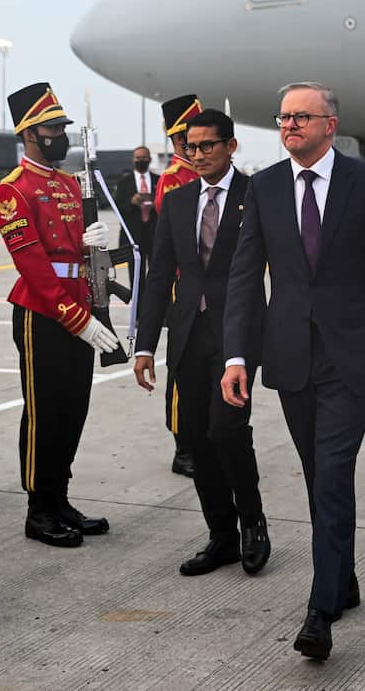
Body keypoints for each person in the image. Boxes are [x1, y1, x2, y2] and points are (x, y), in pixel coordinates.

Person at [221, 81, 365, 661]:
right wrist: (236, 357)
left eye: (302, 117)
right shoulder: (266, 187)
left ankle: (318, 611)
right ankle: (344, 579)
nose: (290, 127)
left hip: (352, 357)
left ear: (331, 123)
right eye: (283, 119)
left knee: (330, 476)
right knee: (319, 476)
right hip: (291, 358)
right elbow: (245, 276)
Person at [134, 108, 271, 578]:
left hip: (238, 333)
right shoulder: (177, 201)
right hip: (188, 334)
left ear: (231, 146)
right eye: (190, 147)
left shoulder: (257, 195)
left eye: (207, 145)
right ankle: (221, 536)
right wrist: (145, 344)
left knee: (227, 430)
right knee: (195, 437)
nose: (197, 155)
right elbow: (158, 277)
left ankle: (253, 522)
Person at [0, 82, 121, 549]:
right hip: (42, 315)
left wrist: (102, 248)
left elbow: (81, 258)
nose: (60, 136)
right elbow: (34, 267)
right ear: (29, 133)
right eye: (53, 129)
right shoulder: (13, 191)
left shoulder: (69, 183)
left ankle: (60, 498)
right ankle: (38, 507)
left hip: (79, 309)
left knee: (73, 410)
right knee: (45, 413)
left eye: (63, 128)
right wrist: (77, 318)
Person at [155, 95, 206, 479]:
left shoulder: (204, 174)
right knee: (182, 368)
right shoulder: (174, 180)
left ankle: (201, 437)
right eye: (186, 138)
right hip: (183, 285)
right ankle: (183, 446)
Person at [114, 145, 159, 282]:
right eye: (138, 158)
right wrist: (131, 202)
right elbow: (117, 207)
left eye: (144, 158)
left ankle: (154, 302)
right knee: (135, 275)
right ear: (133, 160)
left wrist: (154, 203)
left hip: (154, 233)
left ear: (150, 159)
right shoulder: (124, 182)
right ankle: (138, 302)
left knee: (156, 272)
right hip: (133, 235)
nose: (141, 160)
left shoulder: (159, 180)